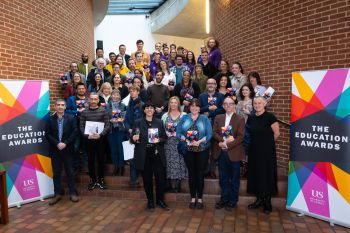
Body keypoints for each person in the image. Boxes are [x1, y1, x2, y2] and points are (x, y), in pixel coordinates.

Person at [130, 102, 169, 212]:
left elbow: (164, 138)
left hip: (157, 154)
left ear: (154, 110)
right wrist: (133, 138)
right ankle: (150, 201)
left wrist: (158, 140)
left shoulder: (159, 122)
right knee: (147, 180)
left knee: (160, 179)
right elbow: (131, 139)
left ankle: (160, 200)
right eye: (147, 108)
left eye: (151, 108)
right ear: (144, 110)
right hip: (144, 155)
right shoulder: (138, 123)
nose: (149, 109)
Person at [246, 96, 280, 214]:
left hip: (267, 152)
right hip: (254, 151)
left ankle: (267, 201)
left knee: (267, 174)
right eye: (255, 103)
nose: (257, 105)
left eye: (259, 103)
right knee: (256, 174)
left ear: (264, 104)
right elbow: (249, 134)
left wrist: (267, 144)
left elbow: (276, 133)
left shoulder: (270, 117)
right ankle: (259, 199)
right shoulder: (251, 118)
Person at [177, 99, 212, 209]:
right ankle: (193, 198)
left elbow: (209, 134)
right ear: (189, 107)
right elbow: (178, 132)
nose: (194, 108)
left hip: (201, 149)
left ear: (199, 108)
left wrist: (200, 141)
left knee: (200, 174)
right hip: (188, 150)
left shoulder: (204, 118)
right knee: (191, 174)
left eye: (197, 106)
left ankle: (200, 199)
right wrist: (184, 139)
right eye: (192, 106)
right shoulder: (184, 118)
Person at [212, 97, 245, 211]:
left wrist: (228, 145)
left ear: (234, 105)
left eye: (231, 104)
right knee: (223, 178)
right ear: (223, 106)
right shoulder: (218, 117)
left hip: (234, 152)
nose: (228, 106)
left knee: (234, 179)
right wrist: (222, 141)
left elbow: (241, 137)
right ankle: (224, 199)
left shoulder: (240, 119)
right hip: (221, 153)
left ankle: (232, 200)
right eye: (226, 104)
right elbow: (214, 132)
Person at [45, 99, 79, 205]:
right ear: (55, 107)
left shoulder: (71, 118)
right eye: (58, 105)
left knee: (70, 172)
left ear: (65, 107)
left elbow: (75, 132)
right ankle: (57, 194)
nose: (60, 107)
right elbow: (47, 134)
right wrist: (57, 143)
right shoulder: (50, 119)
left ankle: (73, 193)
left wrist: (65, 143)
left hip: (68, 149)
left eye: (62, 105)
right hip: (55, 150)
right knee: (56, 173)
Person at [80, 92, 110, 190]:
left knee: (101, 160)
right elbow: (81, 126)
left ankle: (101, 179)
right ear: (89, 100)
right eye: (91, 99)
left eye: (95, 99)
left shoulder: (103, 111)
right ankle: (93, 180)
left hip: (100, 140)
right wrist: (86, 135)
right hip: (89, 140)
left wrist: (100, 135)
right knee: (90, 160)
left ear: (98, 100)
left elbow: (107, 125)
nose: (93, 101)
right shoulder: (84, 112)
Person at [161, 97, 187, 193]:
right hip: (168, 143)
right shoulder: (165, 116)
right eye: (171, 102)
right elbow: (161, 129)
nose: (173, 104)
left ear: (178, 104)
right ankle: (168, 183)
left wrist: (180, 134)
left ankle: (177, 183)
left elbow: (188, 129)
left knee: (179, 162)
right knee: (168, 162)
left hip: (179, 143)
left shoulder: (184, 115)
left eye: (175, 102)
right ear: (169, 104)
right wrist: (165, 133)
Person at [65, 82, 89, 172]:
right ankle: (75, 166)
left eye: (83, 88)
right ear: (76, 90)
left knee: (86, 147)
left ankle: (86, 167)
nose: (81, 90)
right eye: (79, 89)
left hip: (86, 126)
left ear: (85, 89)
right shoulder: (71, 99)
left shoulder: (88, 100)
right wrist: (77, 112)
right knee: (75, 147)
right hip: (75, 126)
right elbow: (66, 110)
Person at [124, 85, 144, 187]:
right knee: (130, 158)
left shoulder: (142, 105)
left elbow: (142, 121)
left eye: (134, 91)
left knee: (138, 158)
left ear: (138, 92)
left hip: (138, 134)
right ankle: (132, 180)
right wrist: (128, 129)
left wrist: (135, 130)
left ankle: (138, 178)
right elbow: (126, 120)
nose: (132, 92)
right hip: (129, 134)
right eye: (130, 91)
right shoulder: (129, 105)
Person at [106, 89, 127, 176]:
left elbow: (126, 116)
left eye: (117, 95)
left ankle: (121, 167)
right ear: (111, 96)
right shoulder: (107, 106)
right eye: (113, 95)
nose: (115, 96)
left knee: (120, 149)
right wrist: (109, 120)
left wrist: (123, 119)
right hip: (111, 130)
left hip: (120, 129)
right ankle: (116, 167)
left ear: (120, 96)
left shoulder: (123, 105)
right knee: (113, 149)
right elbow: (104, 117)